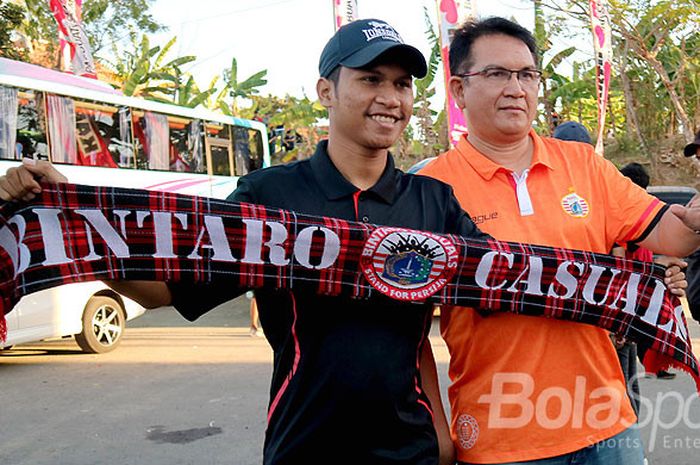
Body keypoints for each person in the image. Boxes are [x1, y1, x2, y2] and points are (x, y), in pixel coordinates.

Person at [0, 19, 491, 465]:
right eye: (370, 79)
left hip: (415, 453)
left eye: (402, 84)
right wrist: (75, 226)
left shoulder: (434, 203)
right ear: (326, 90)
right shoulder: (269, 196)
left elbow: (507, 281)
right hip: (304, 449)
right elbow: (169, 289)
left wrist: (442, 435)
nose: (391, 97)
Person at [418, 17, 700, 465]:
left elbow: (677, 235)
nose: (516, 88)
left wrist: (694, 217)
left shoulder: (584, 165)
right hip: (500, 439)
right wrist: (435, 429)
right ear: (458, 89)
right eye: (496, 74)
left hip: (608, 429)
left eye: (527, 74)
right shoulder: (428, 187)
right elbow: (409, 334)